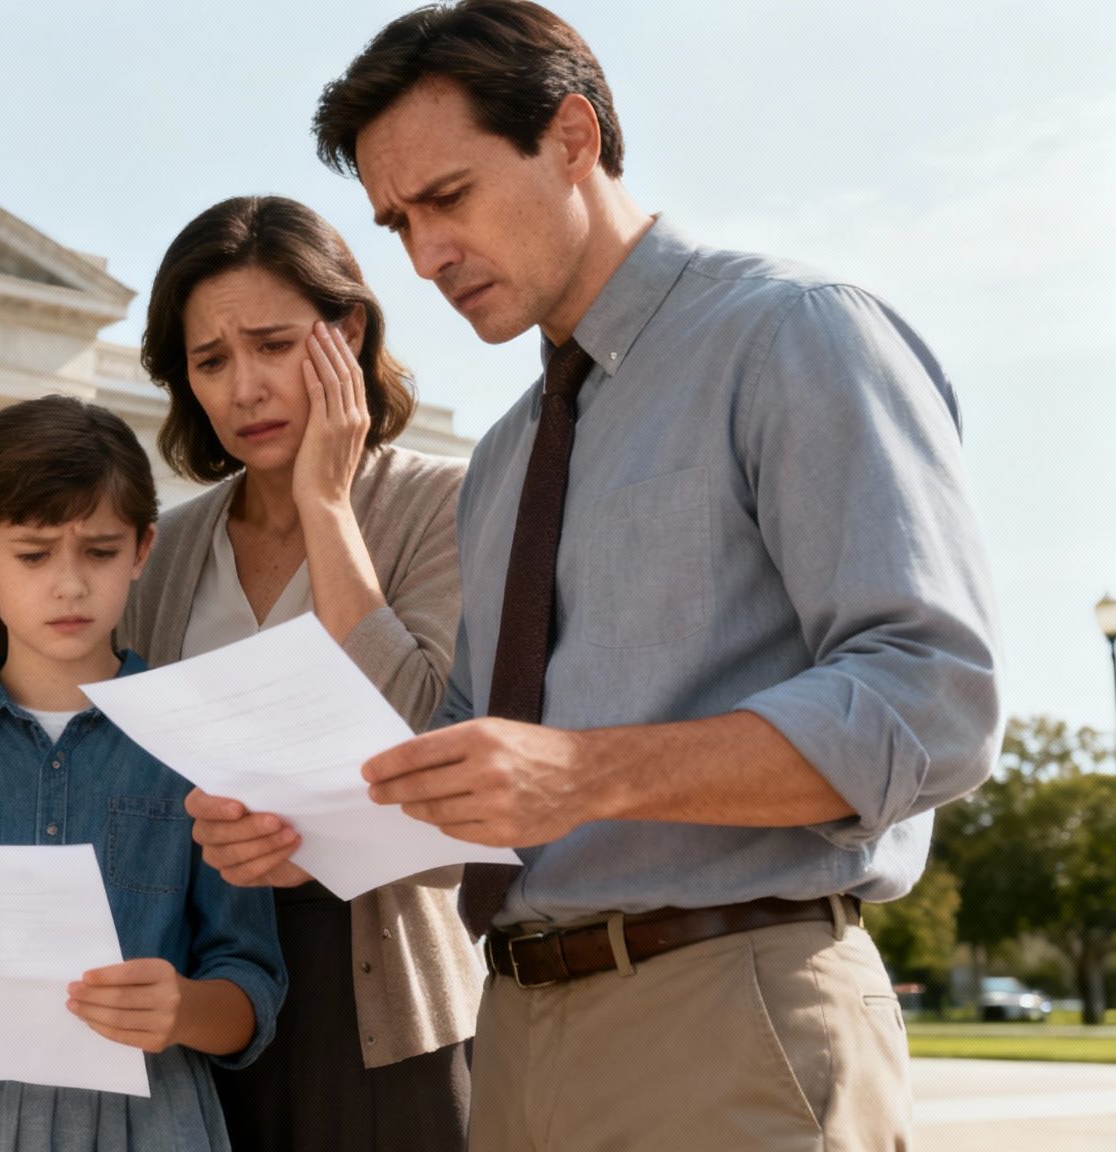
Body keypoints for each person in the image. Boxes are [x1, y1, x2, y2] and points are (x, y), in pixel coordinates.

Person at [194, 3, 1001, 1149]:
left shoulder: (791, 336)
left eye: (448, 198)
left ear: (571, 136)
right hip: (514, 1037)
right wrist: (308, 833)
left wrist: (584, 774)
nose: (424, 256)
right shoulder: (504, 457)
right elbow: (472, 761)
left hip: (732, 1012)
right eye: (398, 222)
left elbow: (932, 700)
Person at [0, 195, 481, 1149]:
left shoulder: (444, 507)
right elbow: (59, 704)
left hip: (372, 991)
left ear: (348, 332)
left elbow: (425, 743)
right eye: (211, 361)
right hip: (173, 998)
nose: (245, 389)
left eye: (274, 345)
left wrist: (324, 502)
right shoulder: (166, 545)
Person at [0, 395, 288, 1152]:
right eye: (34, 555)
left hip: (150, 1125)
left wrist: (183, 1007)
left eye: (99, 551)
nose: (69, 585)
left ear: (142, 550)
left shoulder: (198, 748)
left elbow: (251, 982)